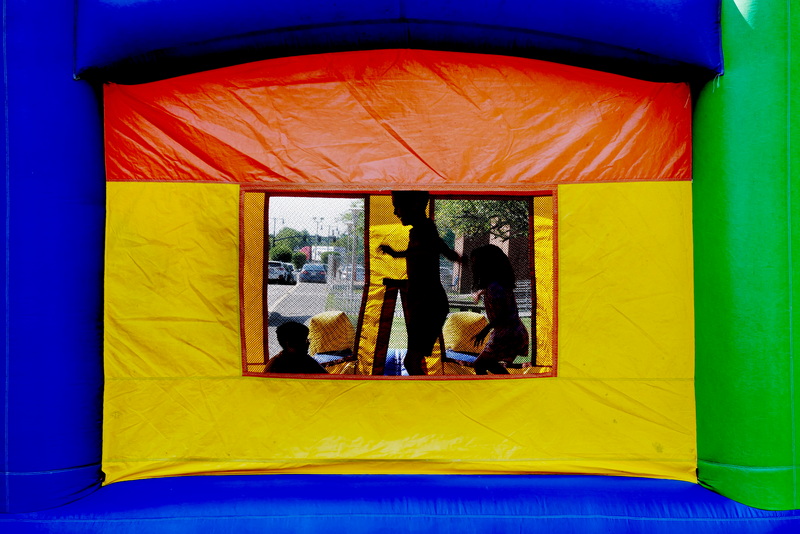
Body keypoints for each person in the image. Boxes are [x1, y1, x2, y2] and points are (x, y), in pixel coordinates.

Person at [379, 191, 463, 375]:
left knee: (411, 361)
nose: (396, 212)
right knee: (412, 360)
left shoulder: (424, 231)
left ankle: (427, 397)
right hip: (427, 303)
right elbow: (434, 252)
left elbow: (424, 251)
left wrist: (396, 254)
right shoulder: (425, 230)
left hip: (428, 305)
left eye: (397, 207)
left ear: (413, 206)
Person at [469, 244, 529, 375]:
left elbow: (504, 314)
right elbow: (493, 292)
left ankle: (494, 390)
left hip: (507, 334)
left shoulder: (495, 287)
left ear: (486, 265)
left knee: (479, 364)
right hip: (512, 331)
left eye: (476, 263)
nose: (473, 267)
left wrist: (484, 331)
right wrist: (480, 292)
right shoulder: (497, 284)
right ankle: (507, 387)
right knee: (489, 363)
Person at [264, 321, 329, 375]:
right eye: (304, 340)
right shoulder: (275, 367)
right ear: (290, 343)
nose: (308, 343)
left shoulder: (304, 359)